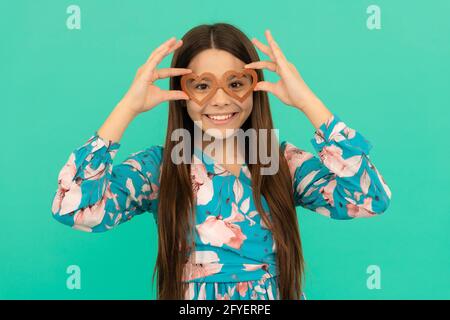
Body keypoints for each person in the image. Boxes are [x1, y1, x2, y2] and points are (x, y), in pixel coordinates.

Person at [51, 23, 392, 300]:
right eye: (201, 85)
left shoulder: (278, 161)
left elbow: (370, 199)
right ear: (182, 95)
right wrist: (127, 107)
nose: (220, 99)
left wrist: (308, 103)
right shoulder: (163, 166)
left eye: (235, 83)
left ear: (254, 87)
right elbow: (74, 208)